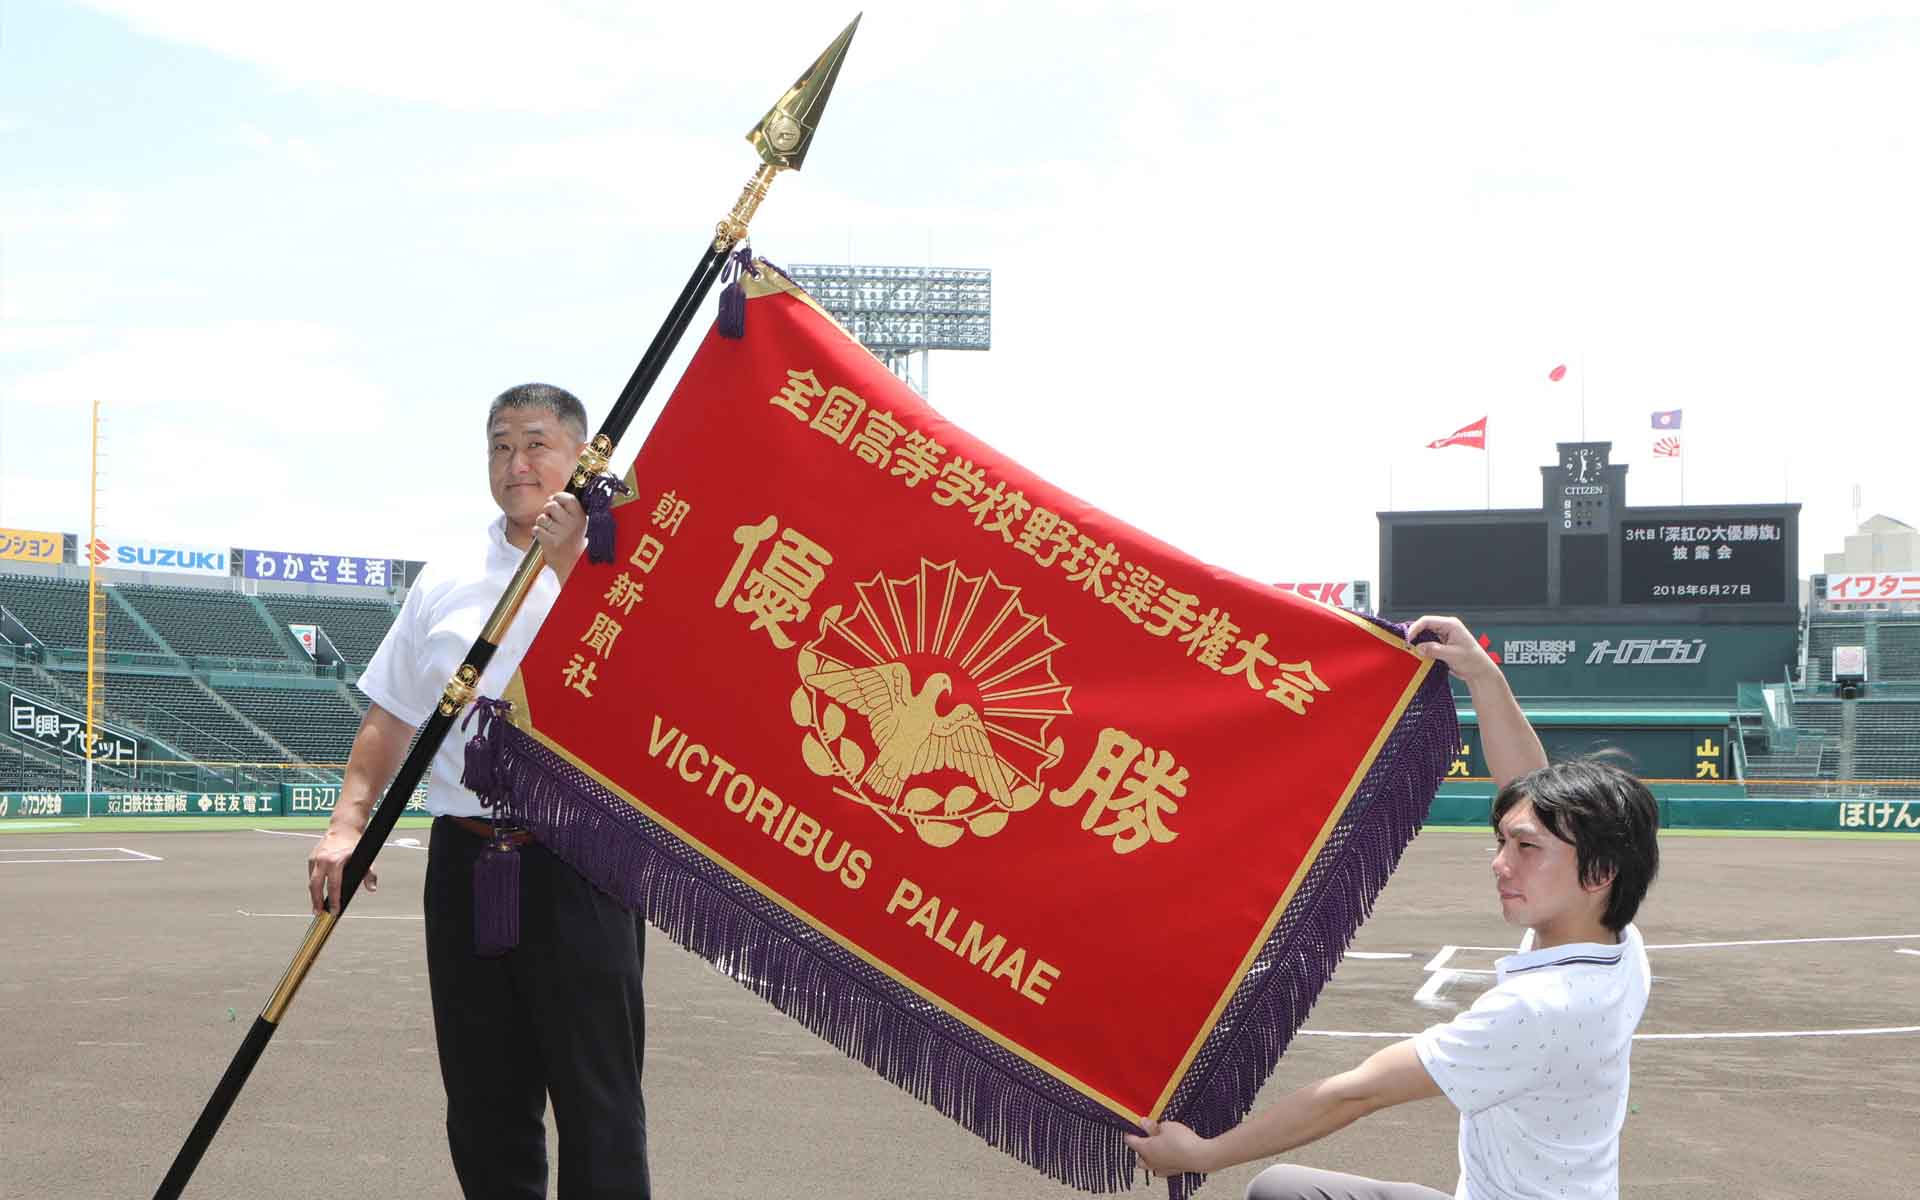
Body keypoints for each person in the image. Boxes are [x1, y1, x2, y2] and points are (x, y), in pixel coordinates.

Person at [1127, 615, 1661, 1200]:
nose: (1501, 863)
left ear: (1600, 872)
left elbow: (1356, 1093)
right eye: (1503, 842)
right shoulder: (1612, 940)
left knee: (1280, 1192)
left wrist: (1201, 1153)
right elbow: (1531, 788)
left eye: (1526, 849)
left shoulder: (1538, 1009)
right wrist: (1481, 674)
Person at [306, 383, 651, 1199]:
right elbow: (391, 717)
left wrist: (576, 564)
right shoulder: (449, 575)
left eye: (536, 444)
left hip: (583, 860)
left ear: (580, 456)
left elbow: (659, 689)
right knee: (482, 1099)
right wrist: (347, 826)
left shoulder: (628, 560)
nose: (516, 463)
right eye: (500, 446)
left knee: (598, 1102)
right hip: (465, 862)